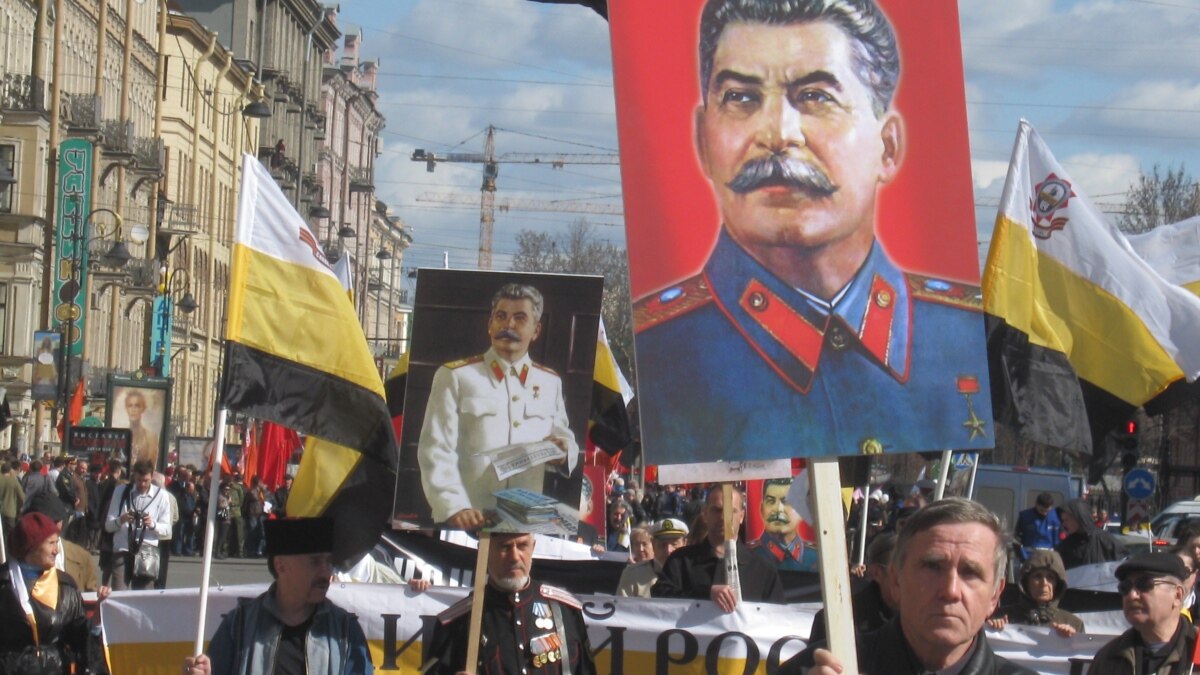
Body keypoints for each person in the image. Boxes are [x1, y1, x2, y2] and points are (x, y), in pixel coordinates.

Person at [630, 0, 993, 464]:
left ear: (887, 148)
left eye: (816, 97)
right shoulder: (661, 353)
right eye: (741, 98)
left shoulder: (957, 337)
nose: (778, 133)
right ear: (703, 141)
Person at [784, 498, 1034, 674]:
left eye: (970, 573)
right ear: (895, 580)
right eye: (932, 567)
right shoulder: (816, 668)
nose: (950, 590)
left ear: (994, 595)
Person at [417, 283, 578, 530]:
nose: (508, 325)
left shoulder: (550, 382)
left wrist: (564, 452)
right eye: (501, 317)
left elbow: (565, 437)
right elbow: (435, 449)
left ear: (536, 330)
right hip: (470, 521)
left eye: (520, 318)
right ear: (489, 324)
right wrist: (454, 507)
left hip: (527, 525)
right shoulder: (456, 376)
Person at [182, 517, 374, 675]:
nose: (326, 572)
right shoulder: (239, 625)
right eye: (315, 562)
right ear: (281, 566)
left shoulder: (344, 631)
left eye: (329, 561)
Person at [424, 532, 596, 674]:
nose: (514, 557)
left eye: (522, 546)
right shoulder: (458, 623)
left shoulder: (565, 611)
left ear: (533, 547)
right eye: (504, 547)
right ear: (484, 551)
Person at [653, 486, 785, 611]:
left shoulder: (762, 569)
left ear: (741, 516)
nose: (723, 517)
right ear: (705, 514)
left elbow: (777, 617)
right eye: (717, 510)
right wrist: (705, 594)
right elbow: (659, 598)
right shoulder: (680, 562)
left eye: (731, 511)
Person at [0, 512, 91, 673]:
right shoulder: (4, 584)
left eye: (57, 542)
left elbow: (80, 639)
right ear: (31, 547)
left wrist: (95, 624)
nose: (57, 550)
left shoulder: (65, 586)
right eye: (51, 543)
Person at [1088, 552, 1196, 675]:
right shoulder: (1108, 658)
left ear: (1177, 595)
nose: (1132, 595)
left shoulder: (1196, 650)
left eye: (1144, 585)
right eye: (1125, 587)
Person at [808, 531, 897, 643]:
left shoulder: (915, 618)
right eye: (900, 569)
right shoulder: (836, 620)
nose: (911, 578)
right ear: (877, 573)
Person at [104, 460, 172, 590]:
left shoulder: (161, 496)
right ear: (134, 476)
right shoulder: (121, 491)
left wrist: (152, 524)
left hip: (146, 553)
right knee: (119, 595)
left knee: (143, 597)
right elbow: (108, 526)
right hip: (122, 550)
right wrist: (122, 519)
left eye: (146, 480)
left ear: (152, 476)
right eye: (139, 480)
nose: (142, 484)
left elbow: (167, 529)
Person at [987, 549, 1083, 637]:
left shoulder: (1074, 624)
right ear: (1026, 582)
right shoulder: (1001, 616)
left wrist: (1074, 639)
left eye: (1050, 578)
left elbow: (1083, 649)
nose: (1044, 583)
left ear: (1058, 584)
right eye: (1037, 576)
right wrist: (992, 630)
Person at [751, 477, 818, 572]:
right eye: (771, 501)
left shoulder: (817, 558)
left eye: (786, 502)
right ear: (761, 509)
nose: (778, 509)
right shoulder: (749, 557)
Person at [616, 517, 689, 597]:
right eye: (663, 545)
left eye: (674, 544)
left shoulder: (692, 576)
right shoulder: (632, 575)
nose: (668, 550)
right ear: (653, 544)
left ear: (685, 544)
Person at [1056, 497, 1125, 569]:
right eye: (1063, 520)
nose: (1064, 524)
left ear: (1079, 517)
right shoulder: (1065, 547)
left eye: (1066, 520)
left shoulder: (1105, 541)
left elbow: (1123, 564)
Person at [1014, 492, 1062, 560]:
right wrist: (1022, 557)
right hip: (1029, 557)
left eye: (1047, 511)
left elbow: (1061, 538)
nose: (1044, 513)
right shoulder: (1025, 517)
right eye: (1042, 510)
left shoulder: (1057, 517)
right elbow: (1017, 538)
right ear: (1036, 504)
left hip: (1050, 558)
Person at [123, 391, 160, 466]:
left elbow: (151, 464)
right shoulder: (122, 435)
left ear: (143, 408)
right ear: (126, 408)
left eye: (137, 406)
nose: (133, 409)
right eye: (130, 405)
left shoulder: (151, 437)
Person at [0, 459, 24, 536]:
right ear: (10, 470)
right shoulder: (14, 482)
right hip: (10, 512)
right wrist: (18, 508)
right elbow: (22, 498)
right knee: (10, 535)